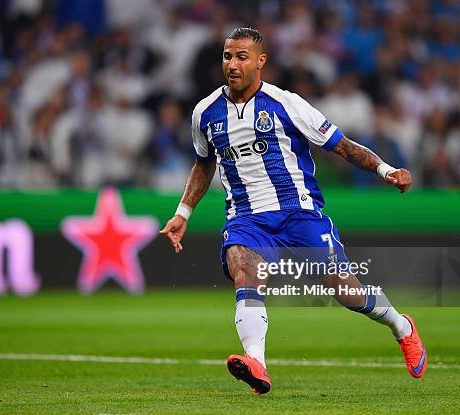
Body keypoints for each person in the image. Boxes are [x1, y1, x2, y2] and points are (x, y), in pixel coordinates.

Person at [160, 28, 426, 395]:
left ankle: (402, 326)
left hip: (299, 213)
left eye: (241, 57)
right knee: (244, 270)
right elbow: (204, 164)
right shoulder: (204, 113)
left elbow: (342, 146)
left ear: (260, 61)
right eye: (227, 56)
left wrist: (385, 170)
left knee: (346, 292)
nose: (233, 64)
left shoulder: (287, 104)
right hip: (246, 218)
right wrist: (183, 213)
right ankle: (257, 362)